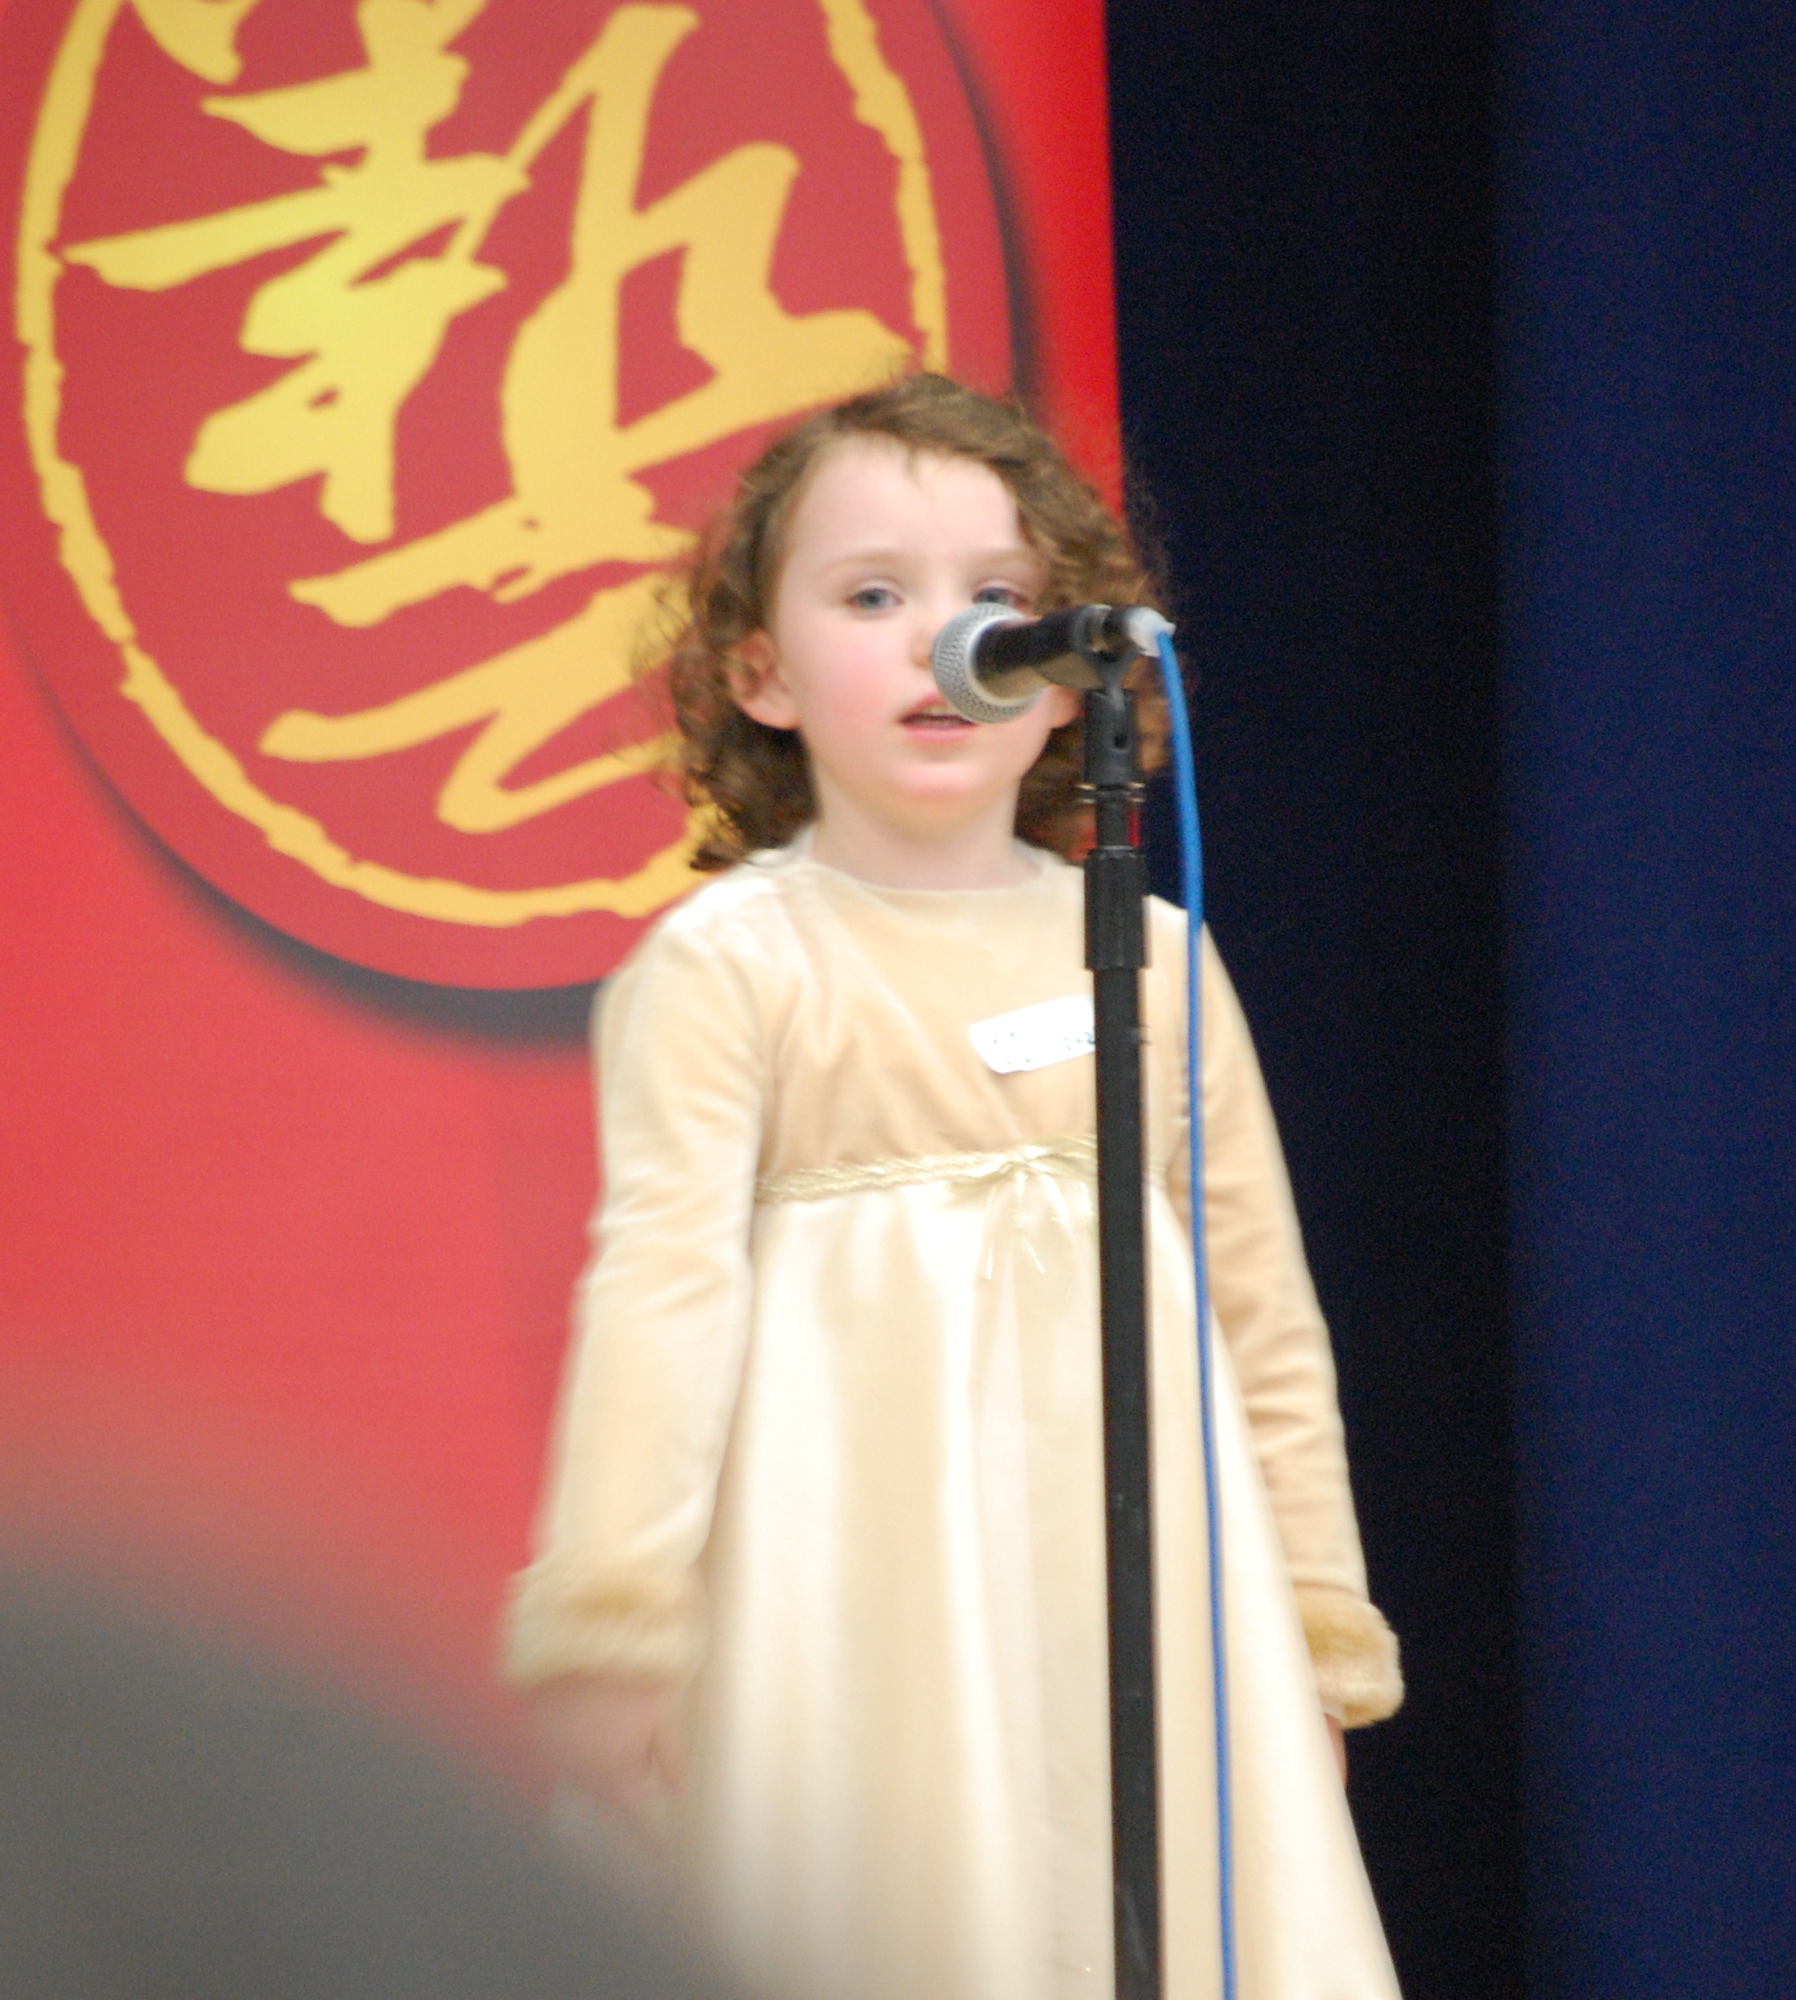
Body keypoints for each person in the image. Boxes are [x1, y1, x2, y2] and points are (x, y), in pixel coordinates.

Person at [505, 373, 1402, 2000]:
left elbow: (1261, 1310)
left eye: (997, 597)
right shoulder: (734, 966)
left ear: (1065, 682)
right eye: (872, 596)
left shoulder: (1148, 957)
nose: (946, 639)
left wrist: (1316, 1627)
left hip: (1140, 1593)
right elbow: (661, 1289)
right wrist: (614, 1616)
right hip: (854, 1592)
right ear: (760, 675)